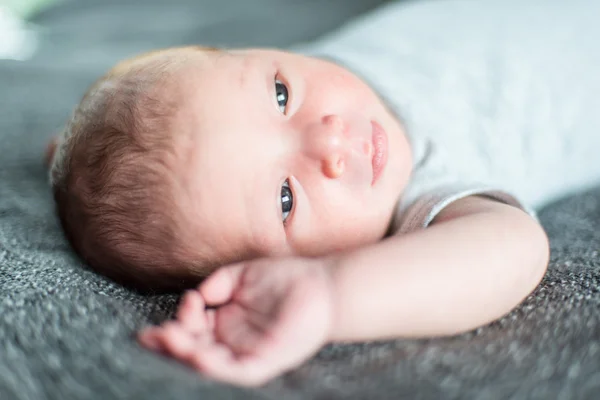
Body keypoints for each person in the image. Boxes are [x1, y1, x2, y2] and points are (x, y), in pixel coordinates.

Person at [46, 0, 599, 387]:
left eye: (281, 95)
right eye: (286, 200)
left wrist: (81, 149)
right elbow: (512, 250)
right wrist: (333, 297)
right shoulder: (425, 194)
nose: (330, 137)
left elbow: (179, 115)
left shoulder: (308, 69)